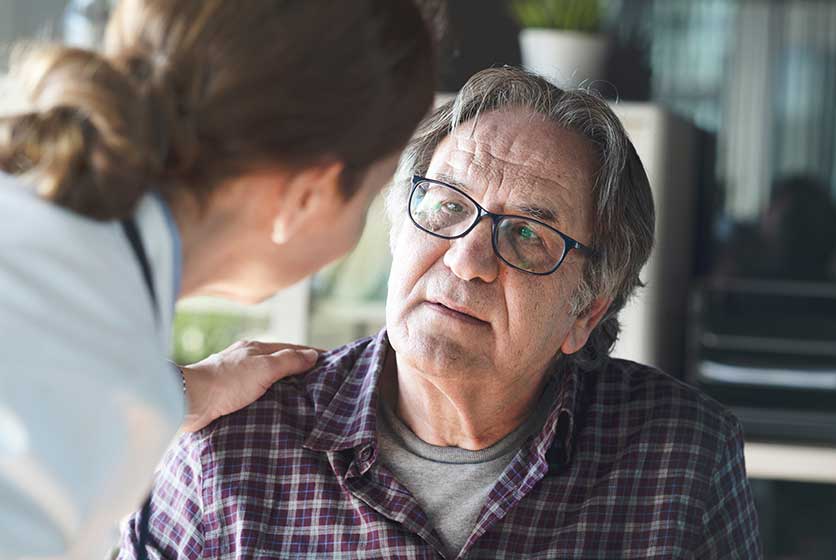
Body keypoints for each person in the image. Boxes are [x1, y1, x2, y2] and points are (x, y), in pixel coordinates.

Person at [120, 67, 761, 559]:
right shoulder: (232, 445)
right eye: (448, 206)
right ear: (399, 229)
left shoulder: (682, 457)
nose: (467, 259)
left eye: (528, 234)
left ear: (586, 314)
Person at [0, 1, 436, 557]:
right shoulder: (97, 376)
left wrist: (181, 390)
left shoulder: (63, 280)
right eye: (373, 195)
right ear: (307, 196)